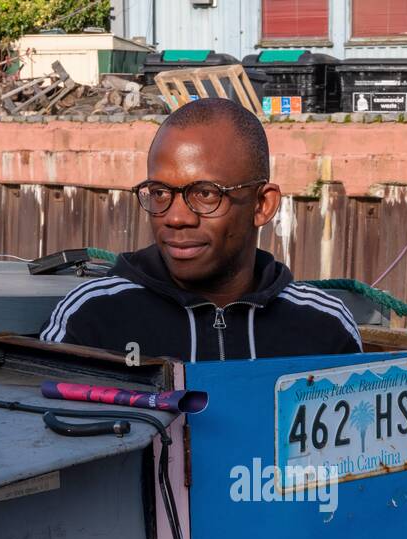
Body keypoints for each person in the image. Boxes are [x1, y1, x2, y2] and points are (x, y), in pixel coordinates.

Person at [39, 97, 363, 361]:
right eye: (160, 193)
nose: (176, 217)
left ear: (262, 205)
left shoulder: (325, 328)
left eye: (205, 194)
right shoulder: (91, 317)